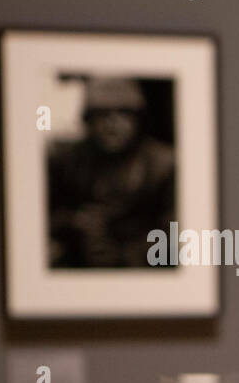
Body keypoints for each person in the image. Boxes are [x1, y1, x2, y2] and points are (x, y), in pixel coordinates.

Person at [48, 77, 175, 269]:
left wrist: (126, 252)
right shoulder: (67, 161)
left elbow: (177, 232)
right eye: (102, 114)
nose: (112, 123)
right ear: (88, 119)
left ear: (138, 119)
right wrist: (74, 223)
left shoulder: (164, 165)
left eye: (123, 113)